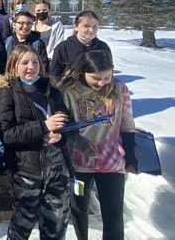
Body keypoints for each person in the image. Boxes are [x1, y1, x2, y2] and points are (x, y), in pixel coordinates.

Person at [0, 44, 75, 240]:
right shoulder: (7, 92)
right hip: (27, 169)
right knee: (23, 224)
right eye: (25, 63)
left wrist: (60, 136)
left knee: (56, 224)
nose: (31, 67)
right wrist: (43, 127)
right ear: (14, 66)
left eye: (35, 62)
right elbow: (7, 134)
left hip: (57, 168)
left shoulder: (51, 90)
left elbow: (67, 122)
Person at [58, 50, 137, 240]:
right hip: (79, 163)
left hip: (112, 162)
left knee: (113, 212)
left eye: (106, 77)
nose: (101, 83)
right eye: (96, 78)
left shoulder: (119, 88)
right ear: (82, 72)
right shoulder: (69, 91)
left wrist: (131, 157)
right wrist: (79, 144)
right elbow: (64, 127)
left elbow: (127, 124)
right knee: (79, 209)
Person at [49, 10, 112, 79]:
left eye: (95, 26)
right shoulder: (63, 47)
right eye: (86, 26)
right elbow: (54, 75)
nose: (91, 30)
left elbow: (108, 72)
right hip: (69, 88)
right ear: (76, 27)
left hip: (96, 88)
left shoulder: (102, 47)